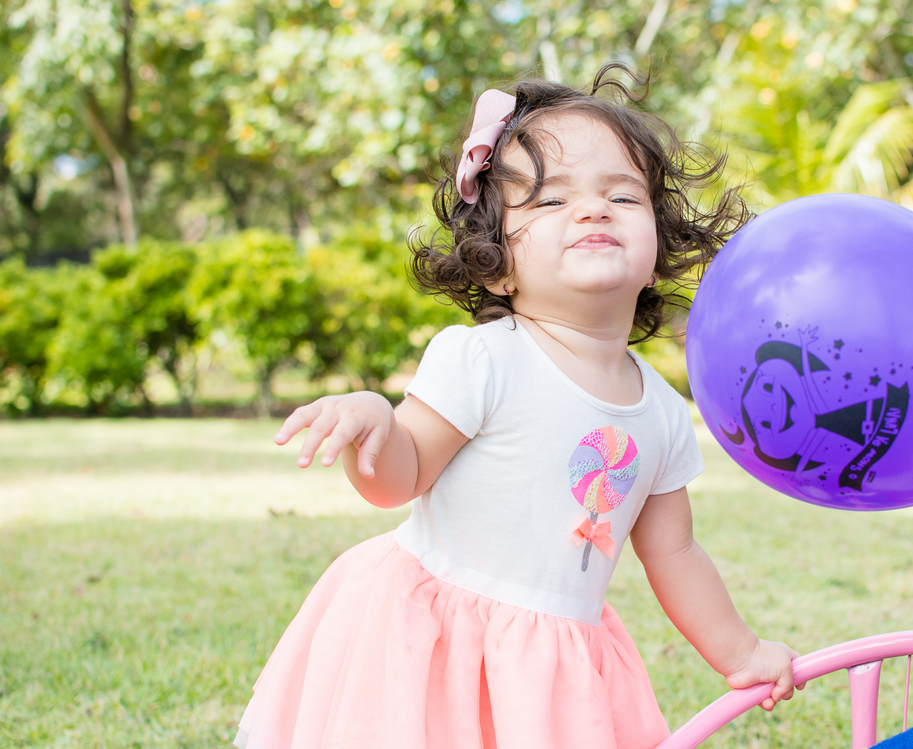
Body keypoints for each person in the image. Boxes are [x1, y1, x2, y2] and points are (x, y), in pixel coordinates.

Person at [233, 64, 799, 749]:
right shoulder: (484, 360)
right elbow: (398, 481)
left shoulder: (662, 413)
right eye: (551, 202)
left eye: (623, 198)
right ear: (498, 263)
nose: (593, 210)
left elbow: (674, 552)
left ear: (657, 251)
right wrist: (376, 425)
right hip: (433, 642)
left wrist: (739, 654)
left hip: (552, 668)